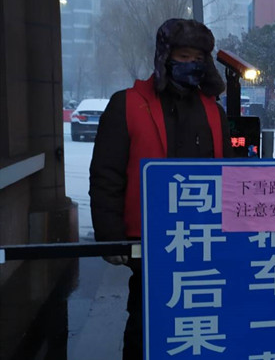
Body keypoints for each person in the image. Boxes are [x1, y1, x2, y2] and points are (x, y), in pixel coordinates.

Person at [89, 18, 233, 360]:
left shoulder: (214, 112)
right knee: (146, 325)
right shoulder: (127, 105)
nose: (191, 65)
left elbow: (229, 176)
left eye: (198, 59)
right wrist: (110, 236)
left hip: (204, 244)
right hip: (149, 245)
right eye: (183, 57)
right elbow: (107, 174)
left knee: (200, 323)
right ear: (164, 57)